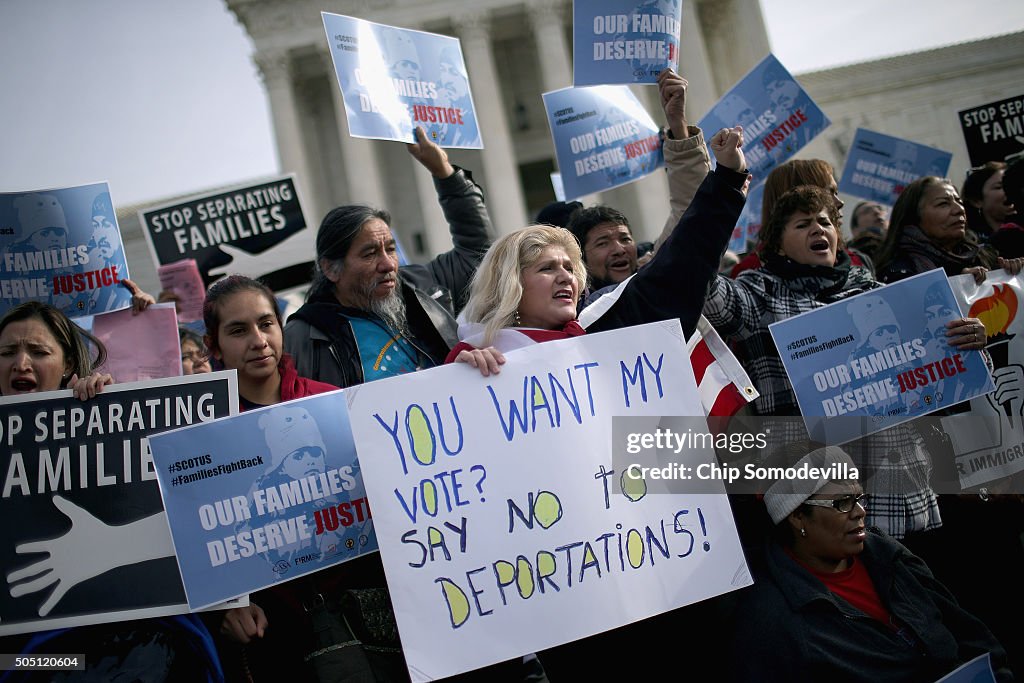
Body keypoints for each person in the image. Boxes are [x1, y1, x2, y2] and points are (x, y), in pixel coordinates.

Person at [447, 127, 749, 681]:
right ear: (512, 284)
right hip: (576, 606)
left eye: (570, 268)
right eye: (547, 268)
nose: (565, 277)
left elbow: (678, 271)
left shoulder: (606, 333)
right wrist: (459, 378)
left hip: (666, 576)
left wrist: (724, 182)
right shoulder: (475, 367)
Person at [702, 185, 986, 539]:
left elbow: (944, 379)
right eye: (803, 224)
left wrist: (969, 342)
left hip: (899, 493)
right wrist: (718, 187)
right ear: (776, 244)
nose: (818, 229)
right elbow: (704, 288)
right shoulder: (759, 295)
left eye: (824, 222)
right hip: (822, 503)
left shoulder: (876, 292)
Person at [0, 301, 222, 682]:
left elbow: (197, 519)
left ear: (69, 363)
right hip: (30, 659)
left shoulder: (107, 422)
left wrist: (108, 419)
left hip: (147, 647)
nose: (21, 363)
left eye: (38, 352)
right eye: (7, 352)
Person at [730, 446, 1012, 682]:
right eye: (842, 503)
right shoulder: (771, 619)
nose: (860, 513)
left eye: (859, 499)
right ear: (797, 517)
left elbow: (974, 639)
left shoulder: (888, 556)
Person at [284, 126, 491, 389]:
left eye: (390, 249)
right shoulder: (304, 337)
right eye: (370, 253)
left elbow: (479, 255)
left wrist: (445, 173)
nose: (388, 264)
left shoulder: (424, 287)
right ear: (331, 269)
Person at [875, 175, 1023, 284]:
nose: (959, 210)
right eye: (943, 204)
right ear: (914, 217)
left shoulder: (986, 255)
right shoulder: (898, 272)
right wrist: (957, 282)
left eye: (959, 202)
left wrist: (1010, 273)